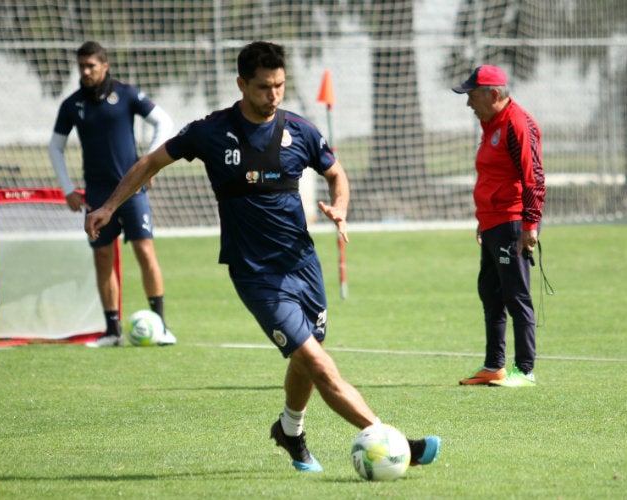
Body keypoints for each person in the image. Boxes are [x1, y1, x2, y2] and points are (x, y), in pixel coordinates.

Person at [85, 41, 441, 472]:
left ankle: (289, 432)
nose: (273, 95)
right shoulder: (211, 132)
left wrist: (341, 205)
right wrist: (108, 206)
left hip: (304, 266)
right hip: (256, 275)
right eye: (263, 87)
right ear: (241, 84)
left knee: (307, 358)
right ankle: (396, 443)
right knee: (318, 363)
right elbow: (150, 163)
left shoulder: (301, 131)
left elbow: (335, 173)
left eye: (279, 85)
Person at [49, 41, 176, 348]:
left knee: (145, 253)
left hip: (132, 190)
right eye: (82, 66)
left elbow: (164, 122)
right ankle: (112, 331)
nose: (86, 71)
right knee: (103, 258)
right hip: (96, 194)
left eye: (91, 65)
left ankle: (161, 325)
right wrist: (68, 189)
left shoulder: (128, 94)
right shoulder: (72, 105)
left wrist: (149, 164)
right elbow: (55, 146)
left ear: (105, 66)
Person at [452, 65, 545, 387]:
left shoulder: (517, 124)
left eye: (472, 96)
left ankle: (525, 370)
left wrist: (530, 225)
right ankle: (494, 366)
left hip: (513, 222)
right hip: (492, 223)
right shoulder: (490, 123)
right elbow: (493, 176)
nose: (468, 104)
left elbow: (533, 177)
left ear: (493, 94)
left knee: (516, 295)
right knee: (490, 294)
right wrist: (482, 222)